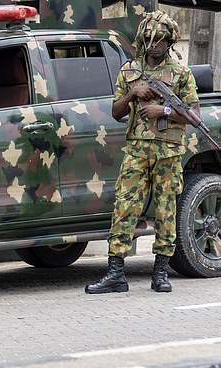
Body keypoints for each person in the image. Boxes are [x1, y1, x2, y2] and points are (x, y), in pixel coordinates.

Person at [85, 10, 199, 294]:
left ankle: (160, 272)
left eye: (159, 40)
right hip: (136, 150)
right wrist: (133, 94)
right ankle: (115, 273)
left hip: (168, 153)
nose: (152, 45)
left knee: (165, 211)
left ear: (169, 41)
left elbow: (195, 115)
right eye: (148, 39)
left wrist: (165, 110)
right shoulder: (129, 71)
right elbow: (115, 112)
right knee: (124, 208)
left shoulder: (181, 74)